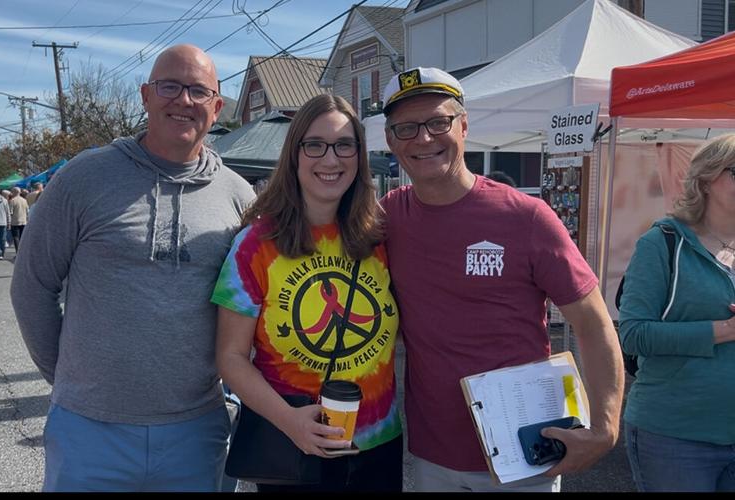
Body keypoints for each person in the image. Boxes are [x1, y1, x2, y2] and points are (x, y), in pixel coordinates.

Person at [11, 44, 256, 492]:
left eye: (198, 91)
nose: (183, 100)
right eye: (169, 86)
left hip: (196, 429)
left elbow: (252, 305)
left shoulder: (238, 197)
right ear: (145, 95)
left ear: (217, 108)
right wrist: (68, 375)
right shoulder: (85, 177)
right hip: (89, 428)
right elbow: (32, 285)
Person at [377, 67, 624, 492]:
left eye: (439, 122)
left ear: (465, 125)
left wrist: (605, 427)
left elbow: (593, 322)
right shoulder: (387, 217)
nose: (423, 138)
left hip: (525, 454)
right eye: (407, 128)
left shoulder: (525, 217)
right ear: (391, 140)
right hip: (430, 452)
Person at [212, 94, 403, 492]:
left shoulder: (379, 237)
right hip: (294, 446)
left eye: (344, 145)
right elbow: (230, 358)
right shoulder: (256, 244)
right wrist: (289, 421)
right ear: (294, 154)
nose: (330, 160)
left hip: (377, 446)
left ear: (359, 155)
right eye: (314, 145)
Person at [618, 134, 735, 492]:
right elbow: (634, 334)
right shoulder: (662, 243)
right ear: (706, 179)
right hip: (676, 436)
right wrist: (725, 329)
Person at [8, 187, 28, 254]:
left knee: (16, 237)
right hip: (24, 221)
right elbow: (27, 211)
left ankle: (18, 253)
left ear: (14, 192)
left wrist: (9, 222)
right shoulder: (24, 200)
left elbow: (10, 212)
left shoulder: (12, 201)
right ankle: (23, 251)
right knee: (22, 238)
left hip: (15, 222)